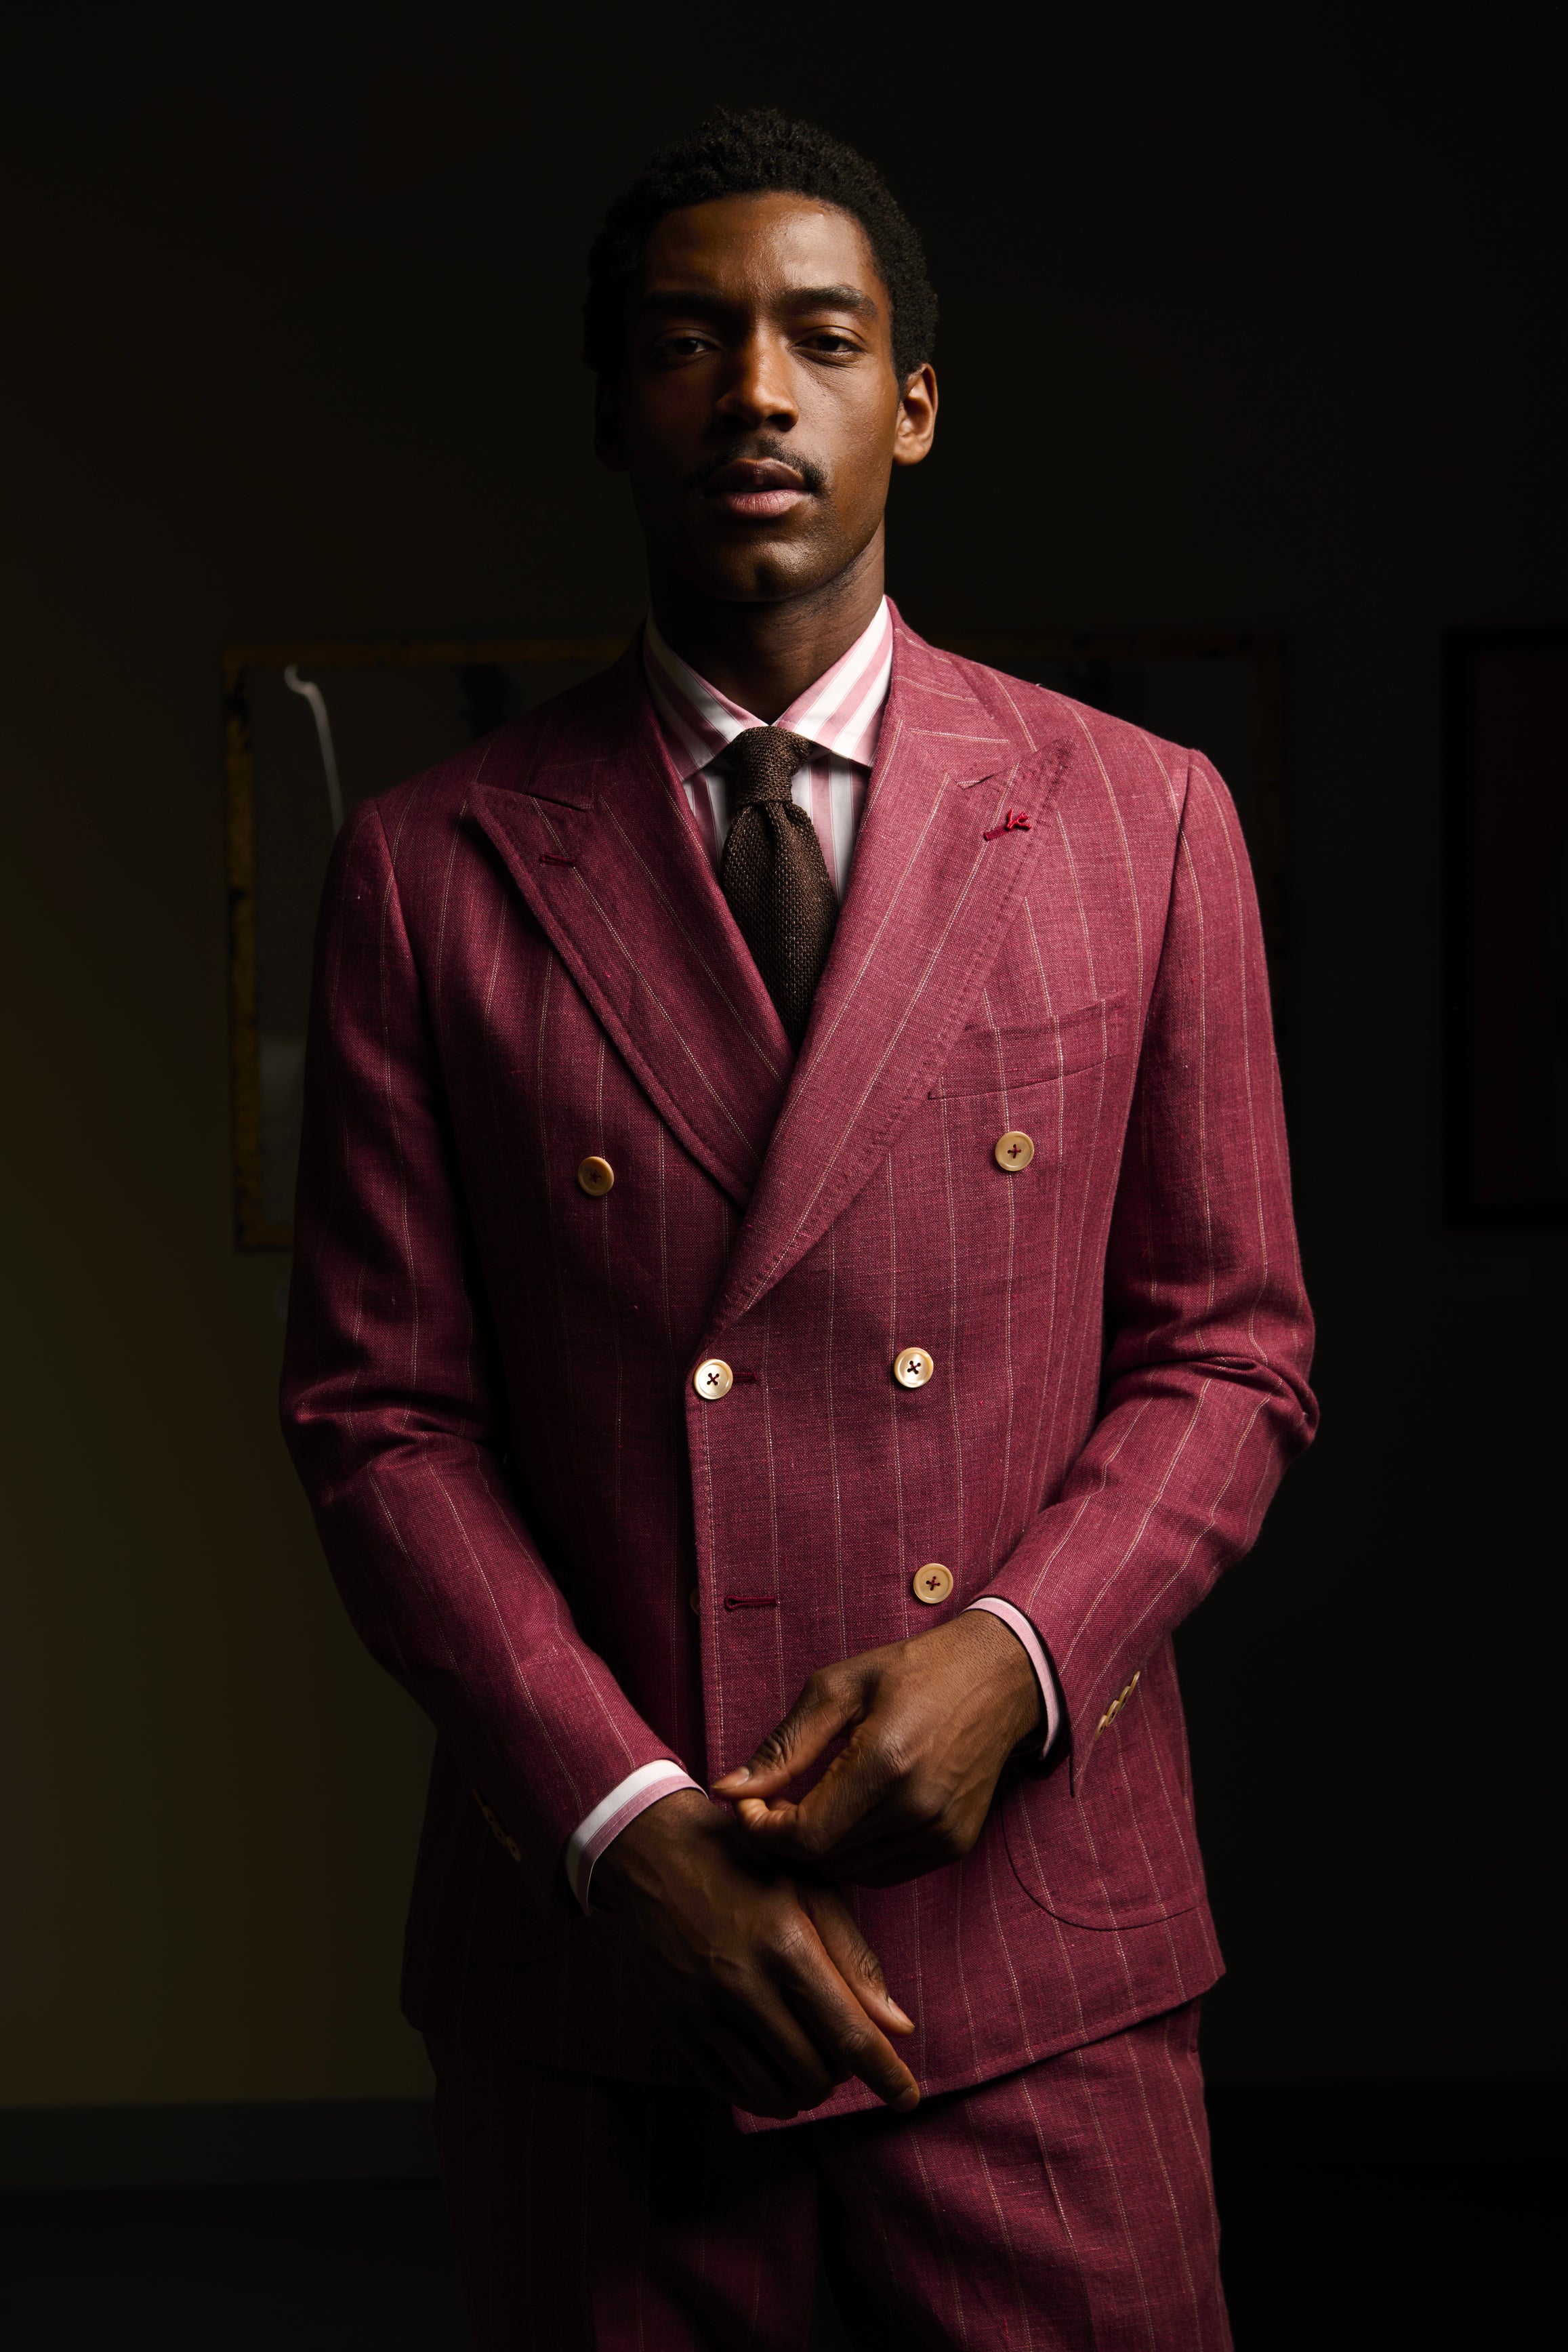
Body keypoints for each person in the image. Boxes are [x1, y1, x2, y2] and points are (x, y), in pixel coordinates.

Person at [281, 106, 1315, 2352]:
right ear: (611, 410)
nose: (755, 390)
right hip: (609, 1964)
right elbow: (381, 1421)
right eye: (688, 340)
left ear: (910, 406)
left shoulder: (1142, 819)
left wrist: (1012, 1661)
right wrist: (622, 1826)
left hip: (1031, 1947)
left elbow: (1232, 1351)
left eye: (820, 339)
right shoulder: (432, 867)